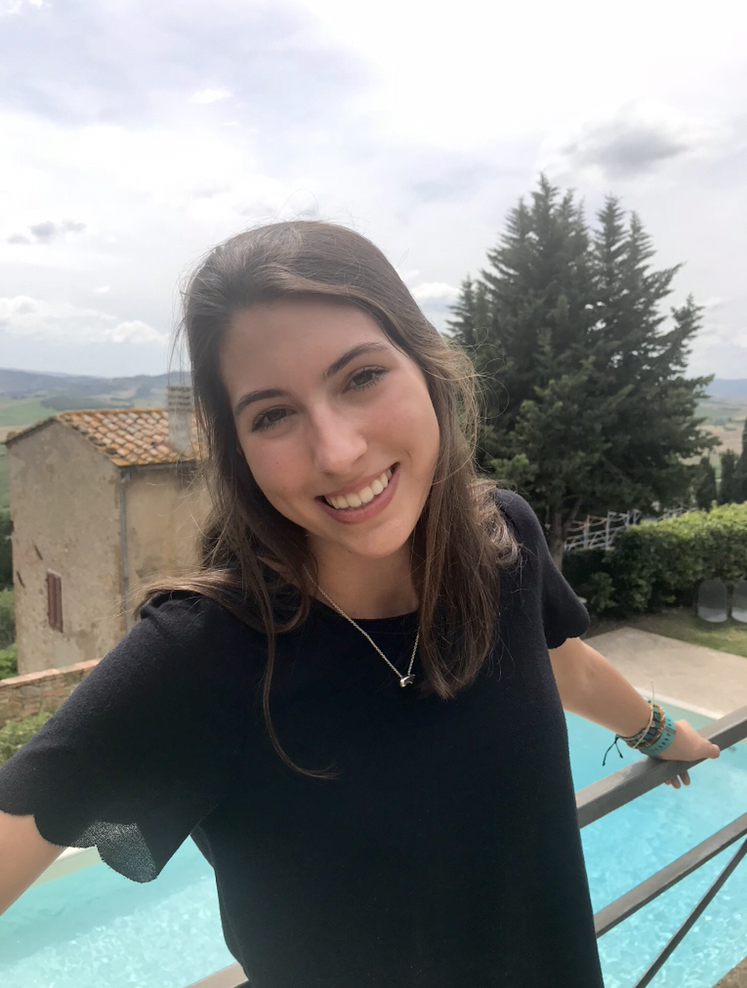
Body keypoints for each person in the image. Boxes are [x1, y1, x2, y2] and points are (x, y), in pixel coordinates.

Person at [0, 220, 720, 988]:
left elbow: (561, 664)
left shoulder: (499, 542)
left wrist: (660, 732)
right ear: (239, 451)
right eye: (272, 415)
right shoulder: (202, 655)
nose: (337, 451)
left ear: (426, 366)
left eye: (361, 376)